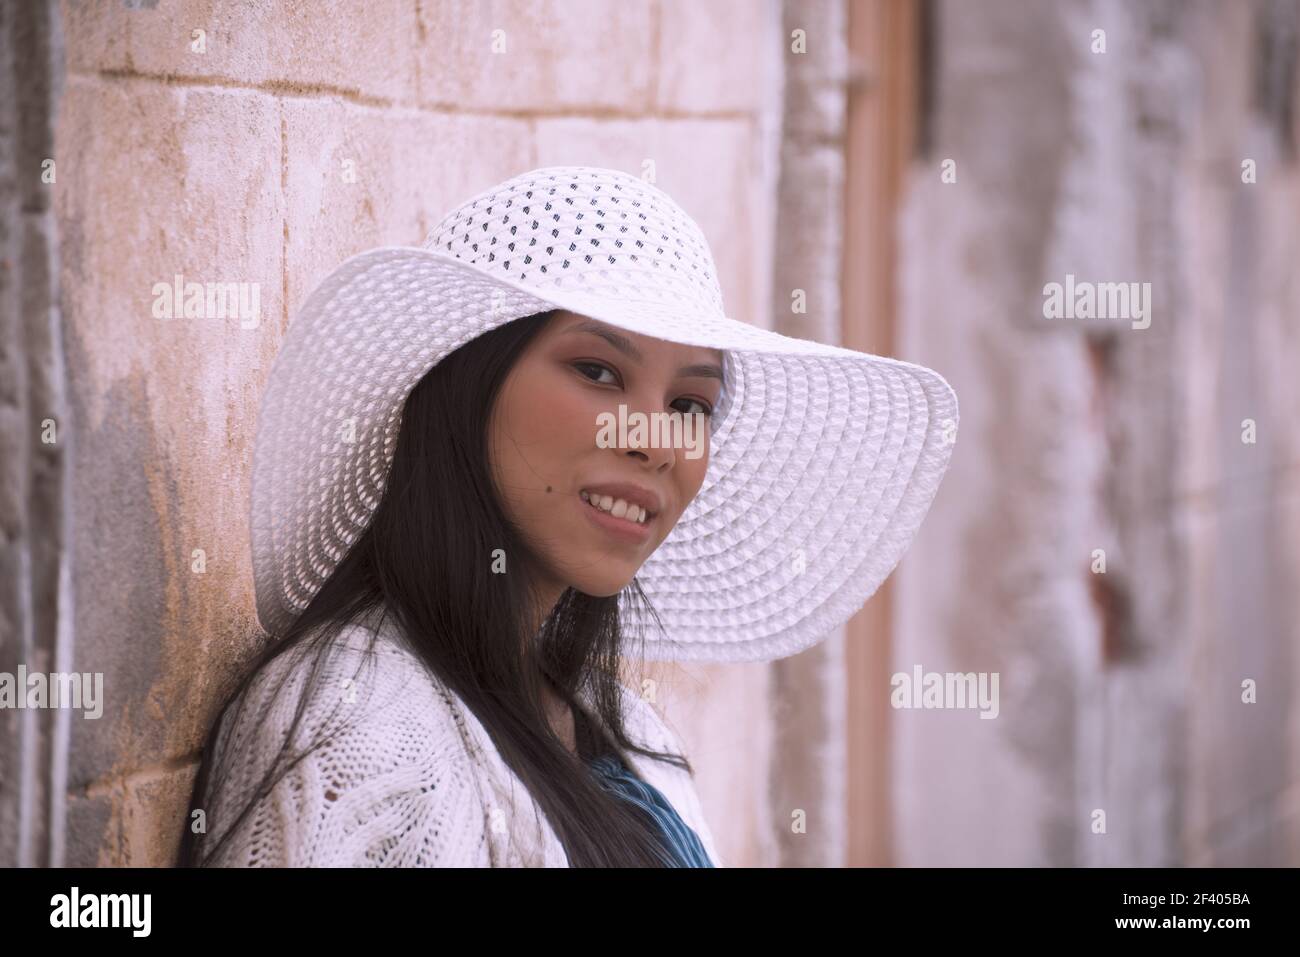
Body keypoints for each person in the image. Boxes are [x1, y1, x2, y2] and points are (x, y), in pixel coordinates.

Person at [177, 166, 959, 867]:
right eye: (597, 370)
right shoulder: (357, 728)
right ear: (465, 386)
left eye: (691, 404)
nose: (658, 442)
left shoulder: (621, 725)